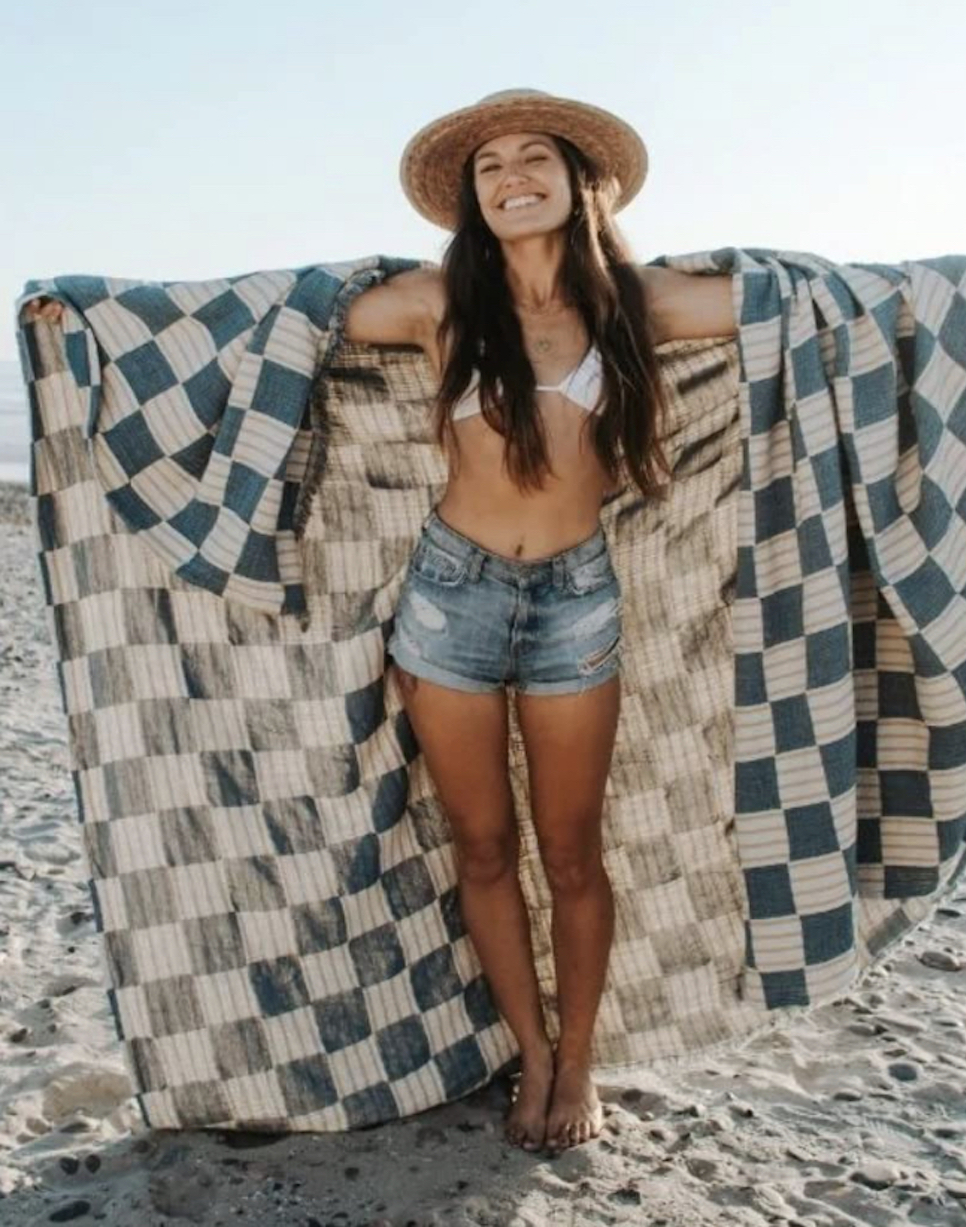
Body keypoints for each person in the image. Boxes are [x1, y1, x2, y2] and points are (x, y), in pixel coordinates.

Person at [22, 86, 737, 1154]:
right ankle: (529, 1059)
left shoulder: (640, 303)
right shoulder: (437, 305)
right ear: (471, 199)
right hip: (451, 598)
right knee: (485, 849)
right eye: (488, 167)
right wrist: (82, 307)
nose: (510, 177)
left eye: (532, 157)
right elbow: (258, 315)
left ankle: (577, 1059)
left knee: (574, 850)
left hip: (576, 601)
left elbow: (810, 309)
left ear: (582, 181)